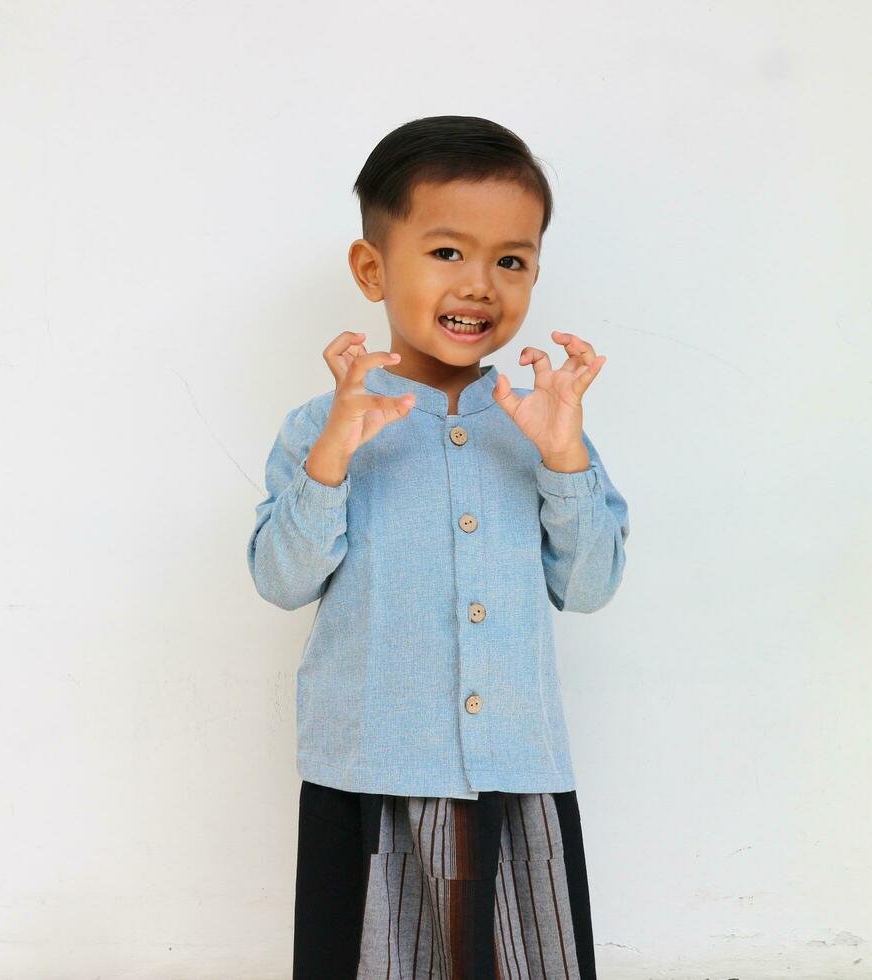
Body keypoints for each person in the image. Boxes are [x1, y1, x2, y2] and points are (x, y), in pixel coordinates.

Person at [247, 115, 630, 980]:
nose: (481, 284)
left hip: (515, 772)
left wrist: (564, 455)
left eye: (512, 260)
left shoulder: (543, 423)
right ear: (372, 268)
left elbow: (594, 583)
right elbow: (279, 577)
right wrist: (334, 455)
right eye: (448, 252)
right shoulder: (324, 425)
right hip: (372, 770)